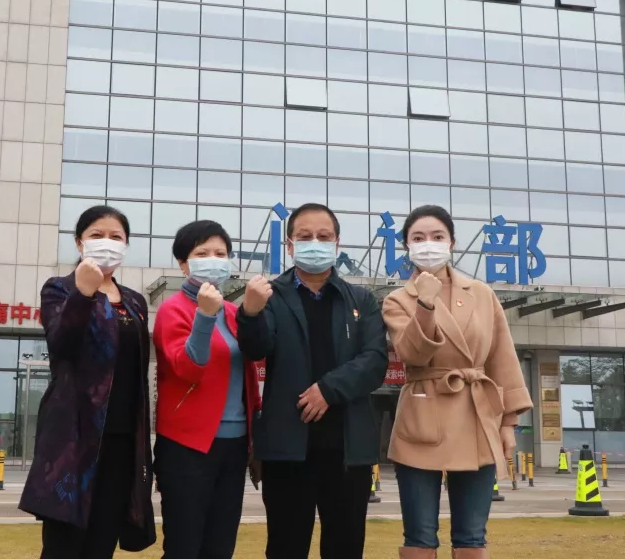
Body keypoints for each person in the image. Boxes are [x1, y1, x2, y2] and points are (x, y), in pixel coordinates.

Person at [237, 202, 388, 559]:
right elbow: (256, 348)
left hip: (348, 450)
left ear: (337, 243)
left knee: (345, 547)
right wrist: (250, 312)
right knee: (286, 547)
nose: (315, 243)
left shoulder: (361, 299)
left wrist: (327, 390)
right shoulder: (272, 296)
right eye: (305, 237)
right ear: (290, 245)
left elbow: (375, 361)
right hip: (287, 450)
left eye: (324, 236)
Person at [383, 205, 533, 559]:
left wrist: (508, 422)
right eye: (418, 238)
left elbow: (501, 357)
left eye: (437, 236)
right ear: (406, 246)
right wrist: (425, 303)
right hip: (422, 413)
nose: (428, 244)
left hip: (477, 415)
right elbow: (413, 354)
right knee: (419, 536)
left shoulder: (481, 293)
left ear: (451, 242)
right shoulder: (397, 300)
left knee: (472, 536)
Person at [19, 205, 155, 558]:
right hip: (73, 440)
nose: (107, 242)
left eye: (116, 236)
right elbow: (61, 344)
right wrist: (83, 293)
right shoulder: (59, 289)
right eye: (97, 235)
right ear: (80, 243)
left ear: (126, 245)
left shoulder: (135, 302)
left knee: (102, 543)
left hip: (122, 440)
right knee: (64, 545)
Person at [153, 220, 262, 559]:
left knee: (220, 546)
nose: (213, 260)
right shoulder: (172, 310)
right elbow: (188, 367)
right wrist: (203, 316)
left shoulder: (234, 312)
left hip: (234, 446)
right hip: (187, 446)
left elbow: (252, 368)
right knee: (184, 546)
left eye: (221, 253)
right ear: (183, 264)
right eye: (202, 254)